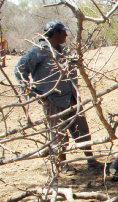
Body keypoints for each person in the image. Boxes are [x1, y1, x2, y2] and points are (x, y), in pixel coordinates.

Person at [14, 20, 101, 173]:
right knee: (59, 134)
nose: (66, 35)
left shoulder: (63, 50)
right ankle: (62, 166)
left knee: (82, 129)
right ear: (55, 33)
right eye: (63, 32)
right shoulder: (39, 51)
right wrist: (32, 93)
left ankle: (91, 160)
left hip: (72, 98)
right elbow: (20, 69)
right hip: (53, 99)